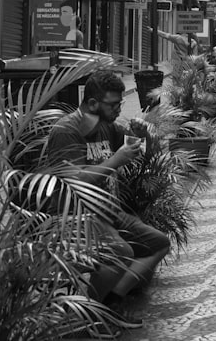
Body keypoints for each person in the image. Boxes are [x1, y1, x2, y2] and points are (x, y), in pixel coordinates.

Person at [43, 70, 170, 331]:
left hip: (107, 212)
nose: (118, 109)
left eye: (120, 104)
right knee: (120, 252)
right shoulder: (66, 131)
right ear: (92, 104)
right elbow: (74, 181)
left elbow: (150, 156)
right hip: (75, 216)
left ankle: (108, 304)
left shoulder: (107, 126)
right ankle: (84, 317)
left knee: (159, 243)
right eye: (113, 105)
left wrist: (145, 135)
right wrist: (116, 160)